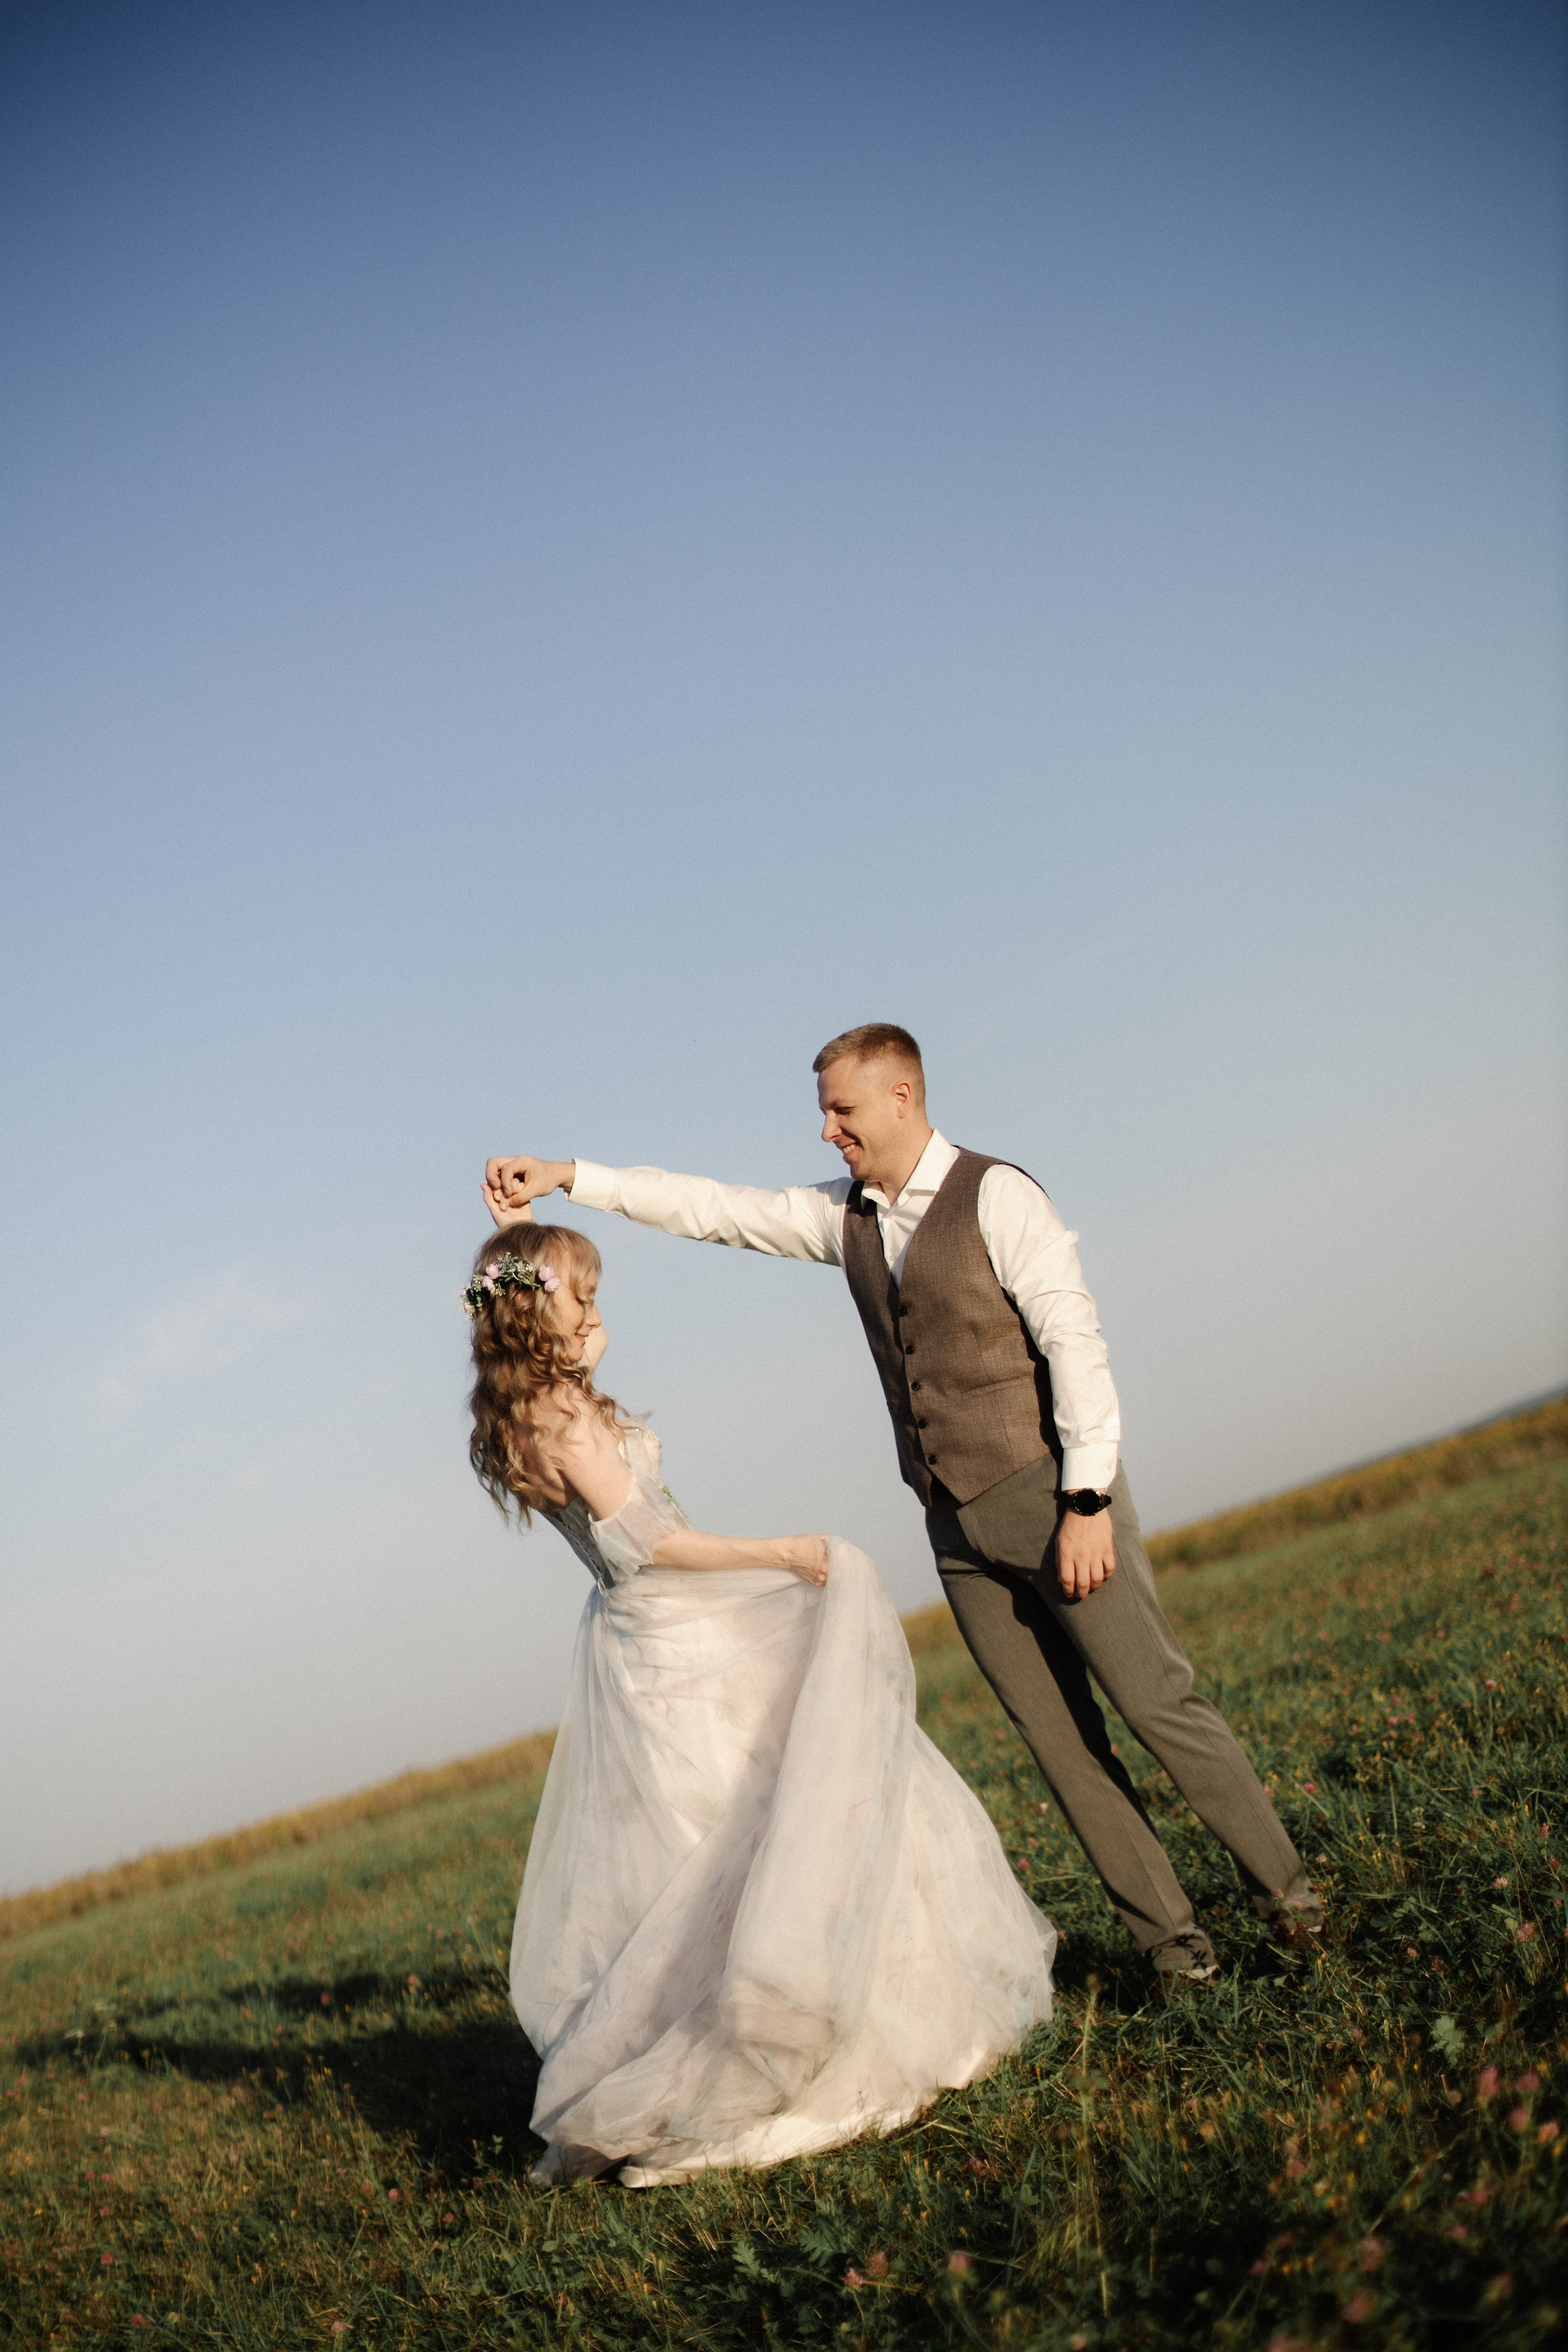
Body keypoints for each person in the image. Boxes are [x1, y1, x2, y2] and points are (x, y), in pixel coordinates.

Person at [485, 1020, 1322, 1987]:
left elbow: (1074, 1342)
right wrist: (570, 1175)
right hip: (955, 1528)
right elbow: (713, 1208)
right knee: (1061, 1747)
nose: (829, 1133)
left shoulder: (998, 1195)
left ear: (901, 1098)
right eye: (823, 1114)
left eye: (841, 1111)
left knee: (1159, 1707)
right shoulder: (845, 1220)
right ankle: (1177, 1957)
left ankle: (1293, 1904)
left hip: (1056, 1502)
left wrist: (1088, 1498)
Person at [464, 1216, 1055, 2187]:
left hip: (646, 1641)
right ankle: (787, 2040)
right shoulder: (559, 1418)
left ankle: (762, 2013)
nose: (597, 1306)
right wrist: (785, 1554)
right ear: (537, 1307)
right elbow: (646, 1542)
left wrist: (543, 1274)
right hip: (678, 1639)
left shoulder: (532, 1410)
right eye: (584, 1292)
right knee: (765, 1816)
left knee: (725, 1833)